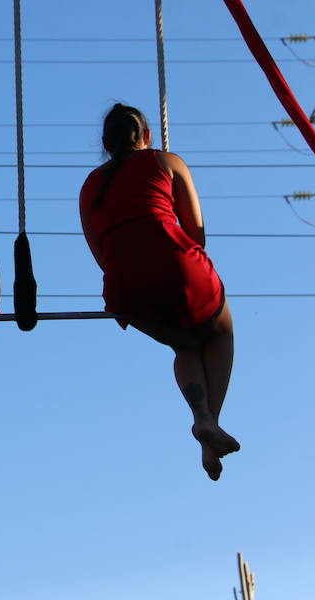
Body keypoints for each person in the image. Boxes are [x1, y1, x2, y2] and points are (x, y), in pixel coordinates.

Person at [79, 103, 239, 481]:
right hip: (176, 263)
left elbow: (98, 251)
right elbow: (196, 230)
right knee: (219, 332)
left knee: (184, 344)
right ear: (146, 136)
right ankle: (207, 427)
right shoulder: (168, 162)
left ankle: (204, 422)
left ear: (105, 143)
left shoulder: (89, 185)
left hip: (124, 283)